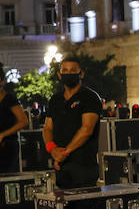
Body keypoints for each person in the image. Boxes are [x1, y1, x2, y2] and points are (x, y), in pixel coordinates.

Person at [43, 58, 102, 187]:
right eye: (65, 70)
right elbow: (47, 128)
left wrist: (64, 153)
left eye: (73, 70)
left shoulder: (90, 97)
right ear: (59, 74)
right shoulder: (55, 99)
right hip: (61, 167)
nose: (68, 73)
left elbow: (87, 129)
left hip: (84, 167)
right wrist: (52, 150)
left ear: (81, 73)